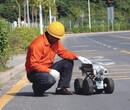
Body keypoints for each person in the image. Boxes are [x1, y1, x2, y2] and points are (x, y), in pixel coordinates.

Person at [25, 21, 91, 96]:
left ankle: (61, 88)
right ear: (50, 35)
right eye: (57, 38)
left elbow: (62, 52)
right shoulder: (37, 45)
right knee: (49, 80)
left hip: (47, 68)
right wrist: (49, 71)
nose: (58, 39)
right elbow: (33, 64)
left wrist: (77, 57)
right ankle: (37, 89)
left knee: (68, 62)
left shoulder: (54, 41)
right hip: (34, 72)